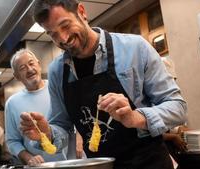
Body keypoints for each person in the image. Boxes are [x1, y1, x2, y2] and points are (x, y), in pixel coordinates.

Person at [20, 1, 188, 169]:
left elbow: (177, 107)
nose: (63, 38)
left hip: (149, 163)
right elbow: (62, 126)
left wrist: (137, 117)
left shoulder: (135, 48)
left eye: (65, 25)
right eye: (53, 34)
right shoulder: (57, 71)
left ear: (81, 12)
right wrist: (47, 133)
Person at [5, 49, 83, 166]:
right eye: (22, 68)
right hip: (40, 166)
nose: (30, 69)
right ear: (16, 76)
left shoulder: (59, 88)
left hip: (72, 162)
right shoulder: (12, 103)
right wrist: (29, 158)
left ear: (39, 65)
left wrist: (80, 134)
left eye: (31, 63)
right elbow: (12, 141)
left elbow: (79, 113)